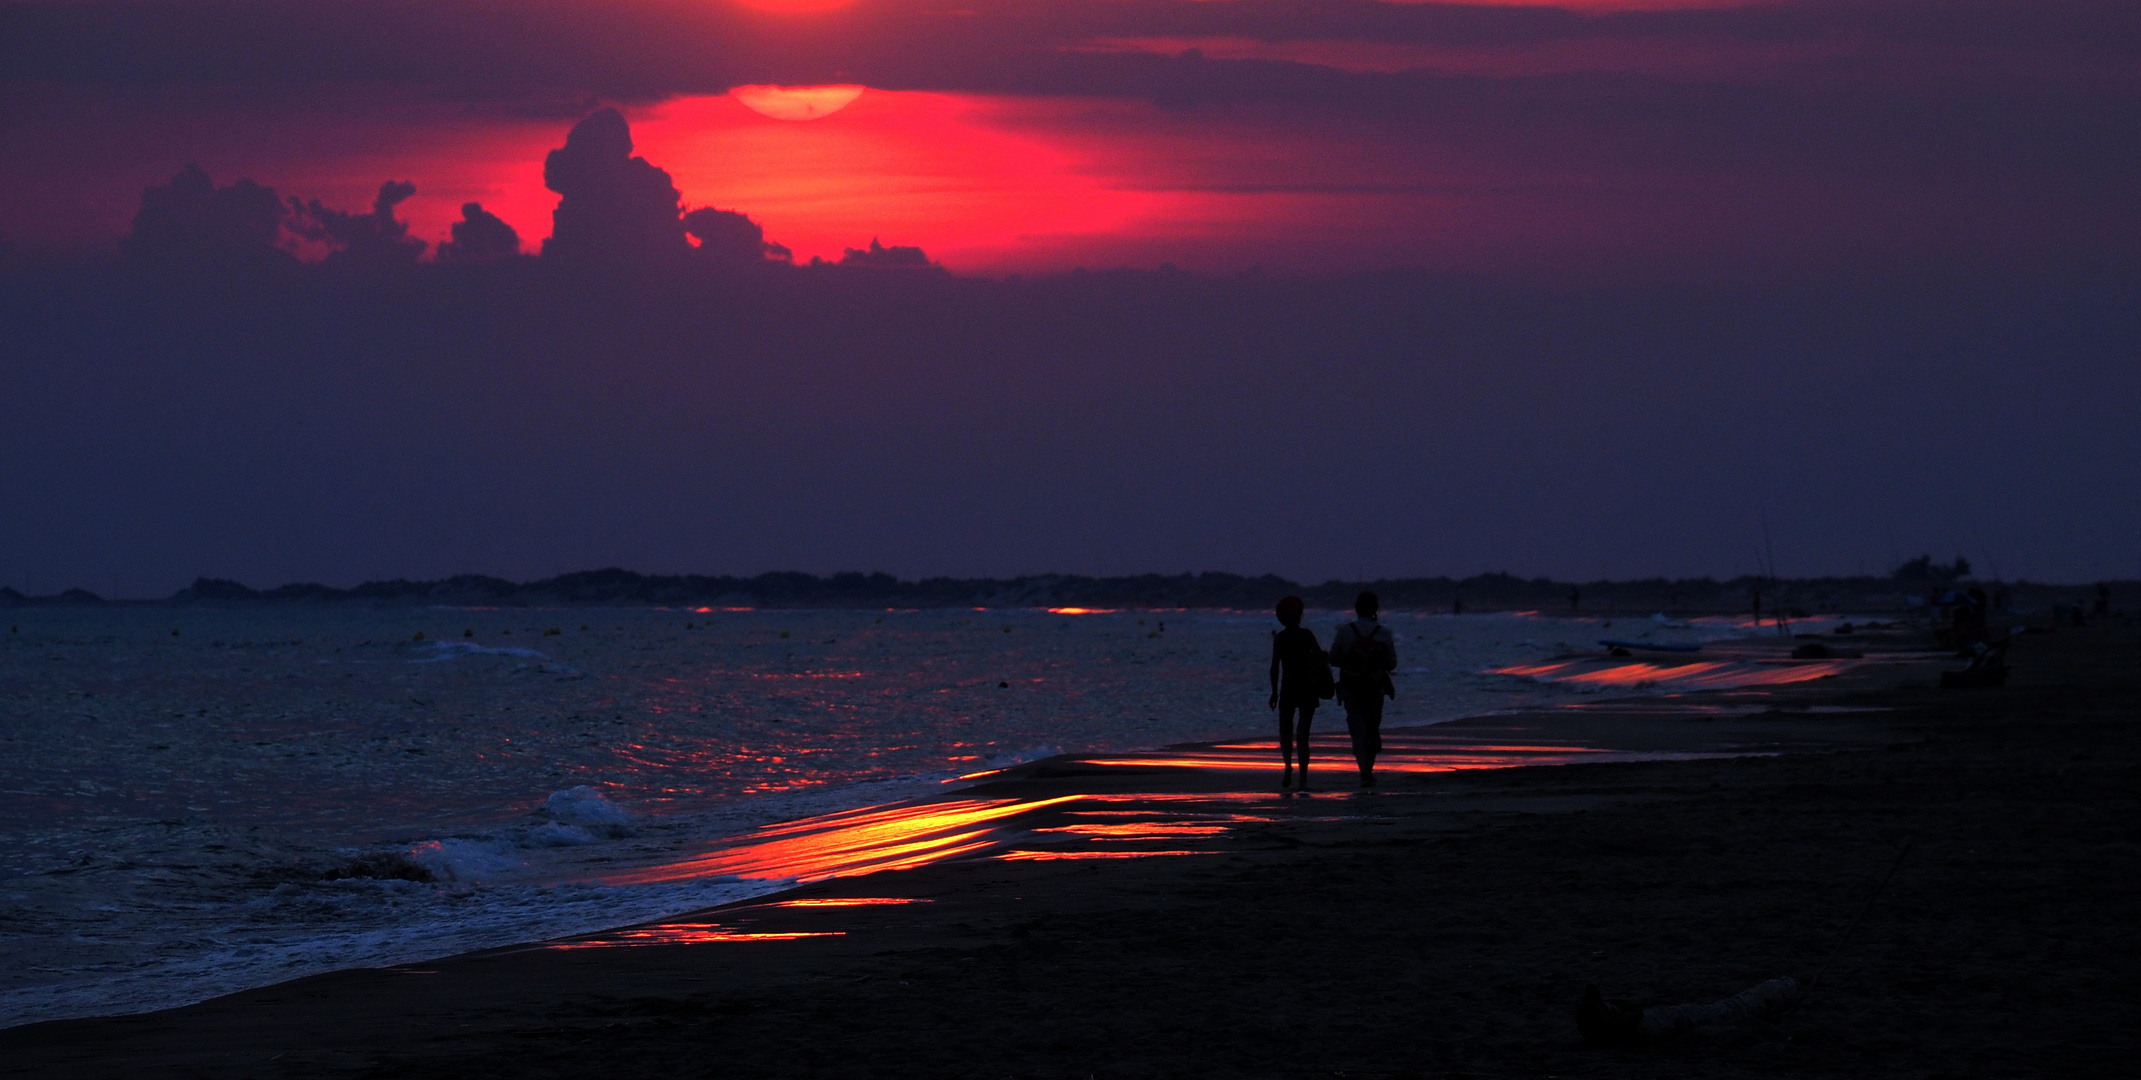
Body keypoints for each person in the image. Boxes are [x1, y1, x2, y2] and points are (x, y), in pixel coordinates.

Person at [1328, 591, 1397, 787]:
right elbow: (1392, 664)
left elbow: (1333, 658)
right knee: (1372, 728)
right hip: (1376, 687)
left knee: (1358, 729)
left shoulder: (1344, 631)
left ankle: (1364, 772)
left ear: (1356, 608)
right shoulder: (1384, 633)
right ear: (1375, 609)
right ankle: (1369, 770)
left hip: (1351, 686)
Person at [1268, 596, 1327, 790]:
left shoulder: (1280, 638)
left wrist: (1274, 692)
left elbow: (1274, 667)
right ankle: (1303, 778)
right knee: (1303, 734)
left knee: (1285, 732)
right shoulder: (1307, 635)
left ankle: (1287, 765)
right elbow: (1319, 657)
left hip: (1287, 689)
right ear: (1300, 615)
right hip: (1307, 688)